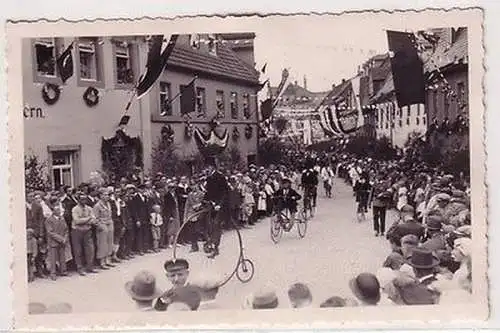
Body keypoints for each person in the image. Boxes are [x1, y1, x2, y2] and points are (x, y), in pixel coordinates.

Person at [203, 160, 230, 257]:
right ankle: (211, 245)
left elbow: (225, 192)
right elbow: (208, 192)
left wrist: (219, 204)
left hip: (221, 206)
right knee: (209, 225)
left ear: (212, 167)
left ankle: (215, 247)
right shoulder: (209, 178)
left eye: (208, 167)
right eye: (206, 168)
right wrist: (204, 201)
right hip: (212, 205)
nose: (206, 169)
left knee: (216, 225)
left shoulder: (220, 176)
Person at [71, 193, 97, 276]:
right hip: (77, 231)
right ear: (78, 200)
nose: (84, 201)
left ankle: (90, 266)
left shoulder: (89, 208)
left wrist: (85, 220)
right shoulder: (75, 209)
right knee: (78, 250)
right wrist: (88, 218)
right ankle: (79, 268)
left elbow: (94, 220)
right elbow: (77, 221)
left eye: (85, 199)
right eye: (82, 199)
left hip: (87, 231)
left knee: (90, 249)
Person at [45, 200, 69, 280]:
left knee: (62, 257)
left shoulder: (62, 218)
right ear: (53, 211)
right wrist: (61, 239)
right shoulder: (49, 220)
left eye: (59, 210)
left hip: (62, 241)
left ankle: (63, 271)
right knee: (53, 258)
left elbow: (66, 229)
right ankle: (53, 273)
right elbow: (50, 232)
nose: (59, 211)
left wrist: (65, 238)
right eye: (57, 210)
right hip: (53, 242)